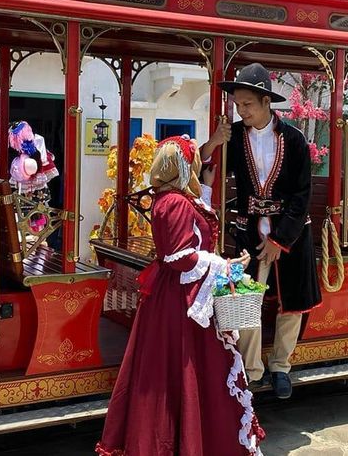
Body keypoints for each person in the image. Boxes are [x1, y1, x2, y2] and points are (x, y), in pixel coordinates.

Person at [97, 135, 264, 456]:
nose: (200, 169)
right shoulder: (173, 202)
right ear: (185, 167)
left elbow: (194, 232)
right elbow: (177, 256)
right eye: (196, 164)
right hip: (179, 303)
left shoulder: (174, 198)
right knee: (180, 372)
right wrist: (223, 265)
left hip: (183, 297)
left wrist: (207, 187)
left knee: (186, 373)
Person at [201, 63, 321, 400]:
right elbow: (201, 168)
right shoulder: (234, 136)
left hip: (290, 237)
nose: (242, 111)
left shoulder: (294, 139)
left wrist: (280, 240)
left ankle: (281, 367)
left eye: (248, 104)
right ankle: (251, 370)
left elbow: (302, 195)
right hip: (249, 235)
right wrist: (213, 142)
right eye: (238, 105)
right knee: (245, 303)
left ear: (267, 101)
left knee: (291, 305)